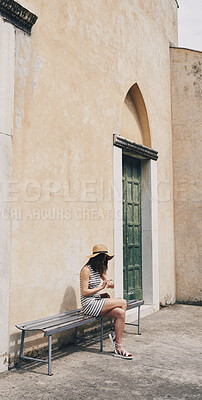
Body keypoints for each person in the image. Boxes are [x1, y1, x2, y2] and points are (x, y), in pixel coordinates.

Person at [80, 244, 133, 359]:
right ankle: (115, 335)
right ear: (97, 258)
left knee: (120, 313)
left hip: (97, 301)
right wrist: (100, 288)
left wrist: (110, 282)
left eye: (106, 258)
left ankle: (118, 347)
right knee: (122, 302)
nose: (105, 260)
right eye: (103, 257)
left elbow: (108, 281)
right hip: (89, 304)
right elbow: (84, 292)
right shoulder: (86, 270)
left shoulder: (99, 269)